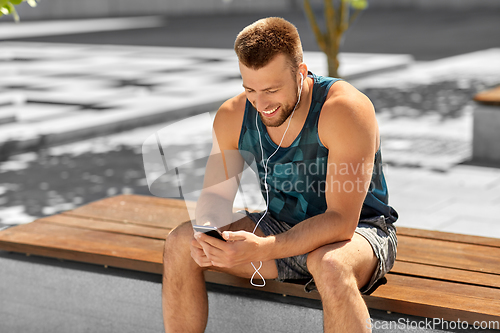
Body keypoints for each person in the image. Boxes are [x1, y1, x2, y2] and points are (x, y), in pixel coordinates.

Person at [162, 17, 398, 333]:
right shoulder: (233, 115)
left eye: (272, 90)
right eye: (250, 90)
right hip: (280, 228)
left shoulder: (343, 110)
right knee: (181, 241)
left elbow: (341, 221)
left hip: (360, 233)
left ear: (301, 73)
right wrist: (211, 236)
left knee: (328, 264)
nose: (261, 104)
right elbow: (214, 202)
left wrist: (265, 248)